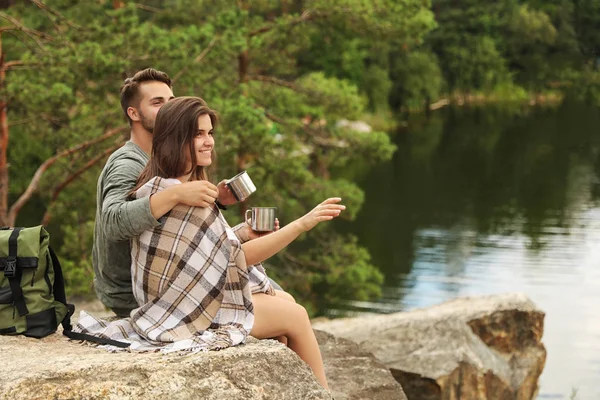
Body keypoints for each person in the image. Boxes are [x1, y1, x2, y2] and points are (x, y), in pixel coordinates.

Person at [77, 97, 344, 390]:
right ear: (177, 139)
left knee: (286, 305)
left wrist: (242, 232)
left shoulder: (165, 185)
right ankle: (325, 394)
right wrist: (303, 224)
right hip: (185, 309)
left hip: (180, 298)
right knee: (296, 315)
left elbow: (212, 249)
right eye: (198, 134)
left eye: (210, 133)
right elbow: (238, 258)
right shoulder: (181, 195)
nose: (209, 142)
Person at [93, 68, 284, 318]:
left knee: (274, 292)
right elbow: (113, 223)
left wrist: (216, 198)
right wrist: (177, 194)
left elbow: (175, 236)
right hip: (134, 292)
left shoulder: (166, 159)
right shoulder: (128, 163)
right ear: (134, 113)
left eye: (171, 101)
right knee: (276, 304)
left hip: (173, 278)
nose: (167, 109)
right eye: (157, 103)